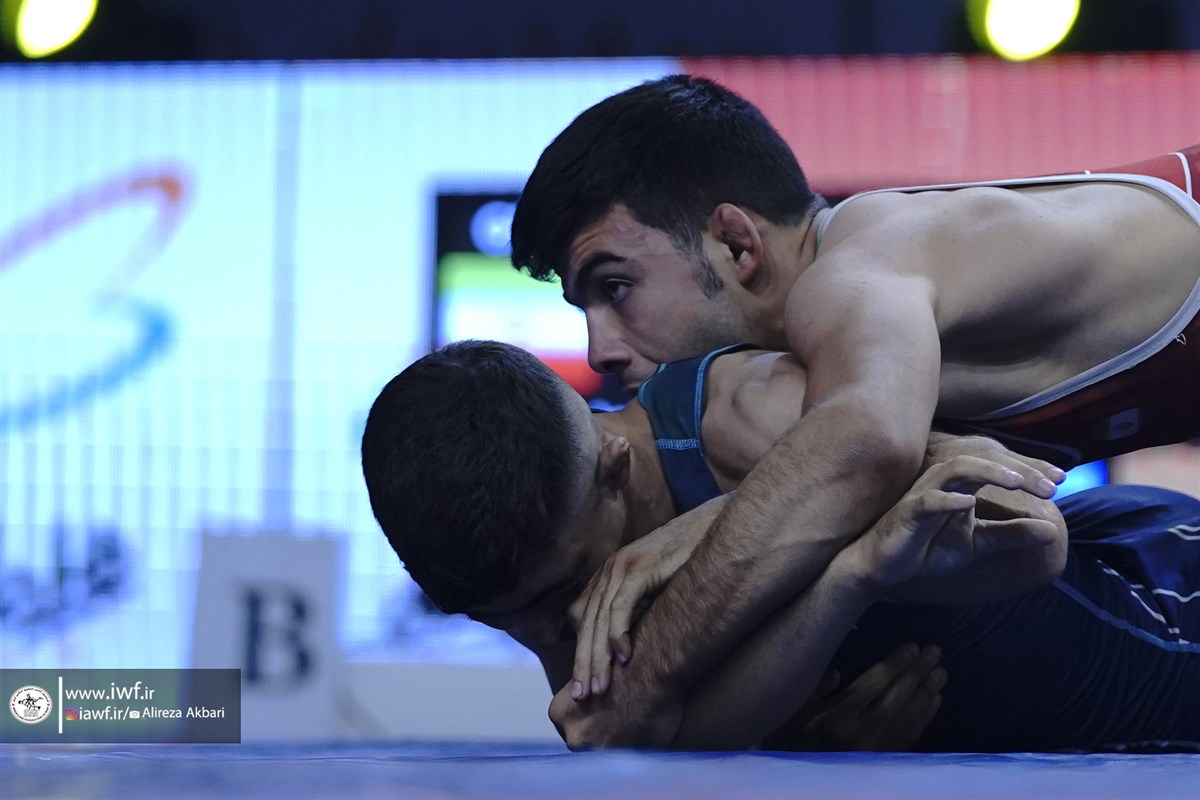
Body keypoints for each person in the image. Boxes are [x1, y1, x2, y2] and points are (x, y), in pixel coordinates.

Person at [508, 74, 1200, 744]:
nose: (599, 350)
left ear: (737, 244)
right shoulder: (819, 366)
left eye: (615, 287)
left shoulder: (862, 264)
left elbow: (865, 450)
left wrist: (644, 685)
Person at [360, 340, 1200, 752]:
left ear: (613, 465)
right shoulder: (539, 560)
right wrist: (798, 755)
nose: (561, 640)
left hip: (1155, 602)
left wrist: (731, 523)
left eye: (566, 592)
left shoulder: (744, 415)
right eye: (508, 624)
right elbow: (650, 743)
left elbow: (1027, 521)